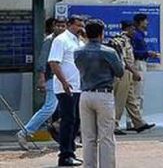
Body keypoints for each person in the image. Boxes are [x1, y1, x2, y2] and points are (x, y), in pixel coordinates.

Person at [75, 19, 124, 168]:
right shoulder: (109, 52)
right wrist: (119, 55)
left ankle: (89, 165)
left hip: (85, 95)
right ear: (101, 33)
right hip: (104, 95)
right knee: (106, 136)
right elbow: (120, 72)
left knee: (88, 136)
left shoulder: (78, 52)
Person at [17, 17, 66, 150]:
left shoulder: (64, 40)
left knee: (69, 109)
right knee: (49, 108)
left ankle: (66, 139)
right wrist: (42, 78)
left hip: (64, 79)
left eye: (63, 26)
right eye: (59, 26)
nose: (61, 29)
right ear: (54, 26)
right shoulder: (49, 41)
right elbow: (43, 60)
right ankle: (25, 132)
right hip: (52, 78)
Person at [49, 15, 86, 167]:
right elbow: (53, 62)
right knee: (68, 121)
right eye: (78, 25)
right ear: (70, 25)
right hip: (66, 87)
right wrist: (64, 82)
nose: (81, 28)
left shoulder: (79, 41)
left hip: (78, 87)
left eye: (82, 25)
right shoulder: (61, 40)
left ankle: (71, 151)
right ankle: (65, 155)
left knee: (76, 120)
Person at [110, 22, 154, 136]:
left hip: (128, 73)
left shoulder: (128, 41)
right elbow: (123, 60)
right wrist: (134, 72)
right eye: (133, 30)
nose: (134, 32)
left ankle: (138, 123)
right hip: (123, 73)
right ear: (127, 29)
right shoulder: (121, 41)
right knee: (120, 100)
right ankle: (114, 125)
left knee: (131, 100)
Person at [130, 13, 160, 117]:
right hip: (137, 63)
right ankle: (136, 120)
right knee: (137, 92)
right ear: (141, 22)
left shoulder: (141, 35)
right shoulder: (136, 35)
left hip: (142, 62)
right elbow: (132, 52)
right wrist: (147, 53)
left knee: (139, 92)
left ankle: (137, 119)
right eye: (146, 21)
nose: (147, 23)